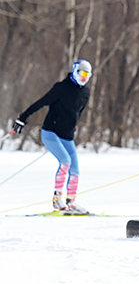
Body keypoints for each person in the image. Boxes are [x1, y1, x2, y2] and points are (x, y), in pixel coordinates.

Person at [13, 59, 94, 214]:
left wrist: (72, 128)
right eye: (82, 73)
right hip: (50, 133)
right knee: (65, 162)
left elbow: (77, 113)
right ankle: (58, 200)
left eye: (88, 74)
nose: (84, 77)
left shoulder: (85, 93)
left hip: (67, 137)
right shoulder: (61, 88)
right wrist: (22, 118)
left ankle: (72, 203)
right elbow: (41, 102)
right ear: (75, 71)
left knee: (75, 170)